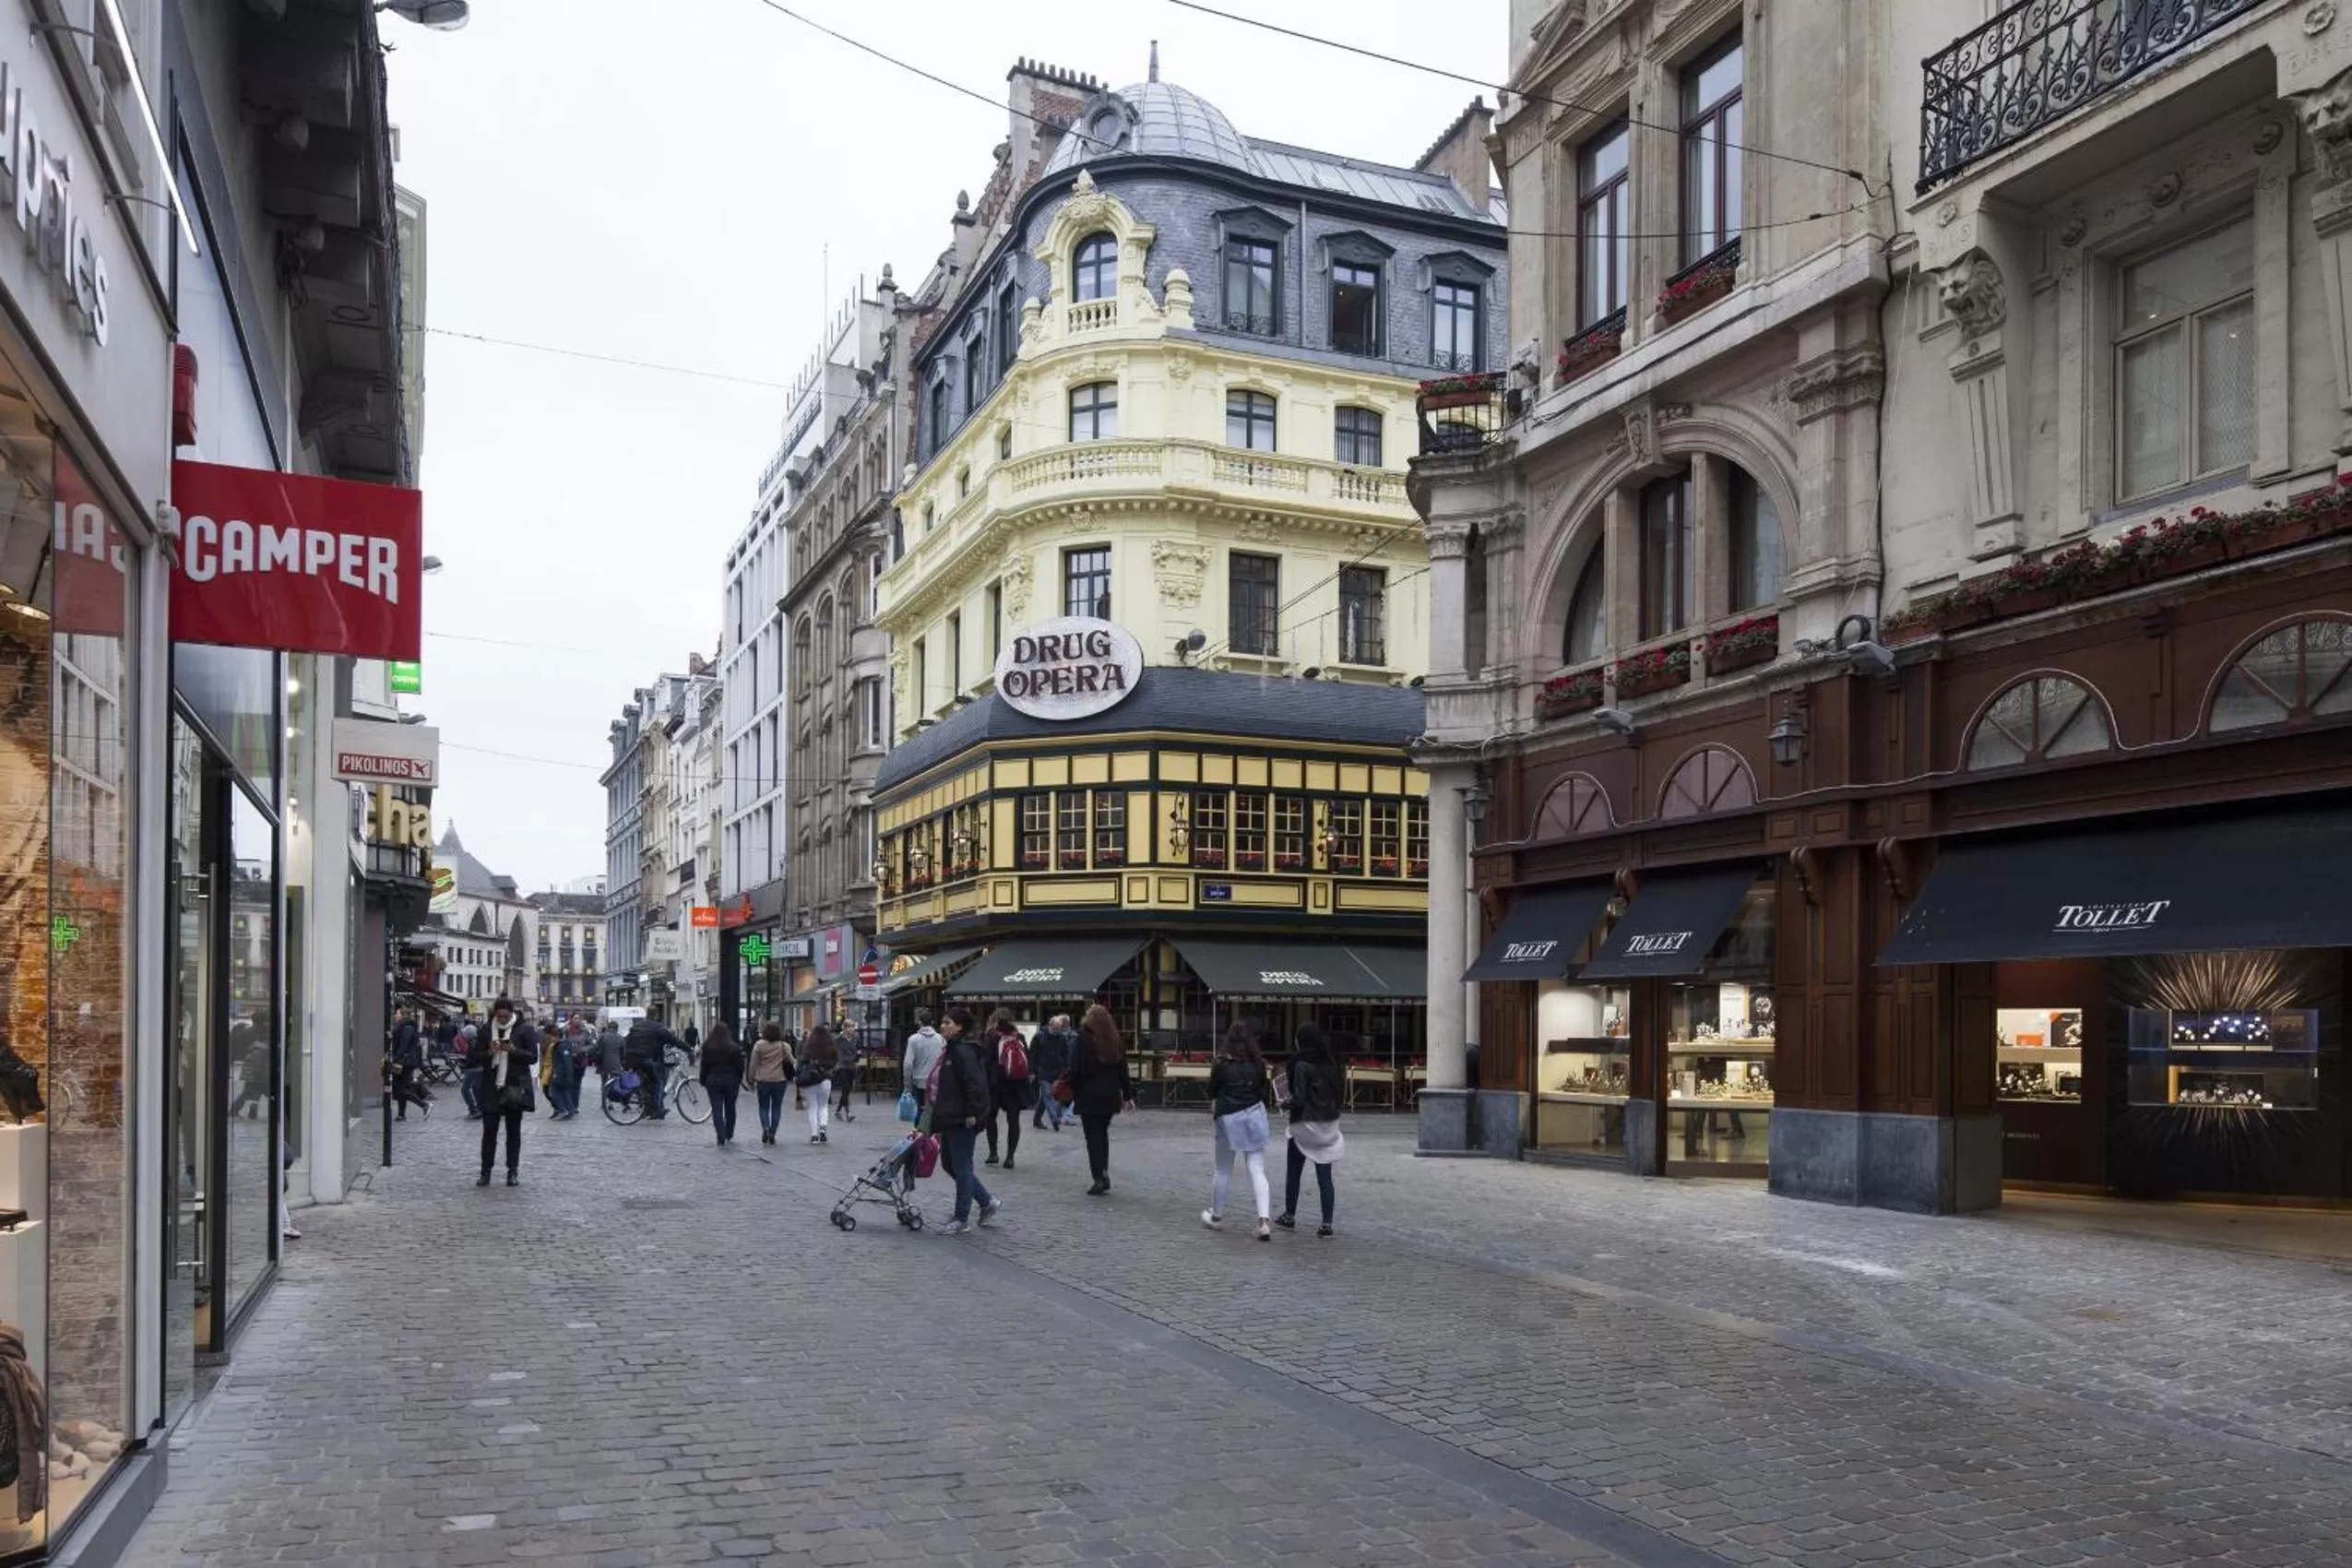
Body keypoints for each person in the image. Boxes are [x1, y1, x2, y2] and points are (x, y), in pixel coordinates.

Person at [928, 1008, 1000, 1234]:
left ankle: (961, 1218)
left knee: (962, 1166)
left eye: (947, 1022)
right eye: (942, 1022)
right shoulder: (951, 1050)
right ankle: (986, 1201)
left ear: (959, 1026)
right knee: (950, 1164)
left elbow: (974, 1084)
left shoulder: (962, 1052)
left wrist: (971, 1112)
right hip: (949, 1116)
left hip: (961, 1118)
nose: (942, 1026)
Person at [1203, 1024, 1275, 1241]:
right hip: (1254, 1114)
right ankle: (1263, 1220)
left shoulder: (1221, 1063)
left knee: (1223, 1169)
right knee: (1257, 1169)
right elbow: (1263, 1090)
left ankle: (1216, 1216)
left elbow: (1212, 1090)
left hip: (1228, 1117)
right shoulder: (1259, 1063)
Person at [1277, 1022, 1345, 1237]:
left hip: (1303, 1124)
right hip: (1328, 1125)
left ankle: (1290, 1216)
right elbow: (1338, 1095)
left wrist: (1284, 1103)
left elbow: (1299, 1098)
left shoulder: (1300, 1064)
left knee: (1294, 1173)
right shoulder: (1332, 1063)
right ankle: (1326, 1223)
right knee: (1325, 1176)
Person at [1064, 1004, 1135, 1196]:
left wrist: (1072, 1089)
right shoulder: (1115, 1041)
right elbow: (1123, 1071)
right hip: (1110, 1095)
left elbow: (1075, 1069)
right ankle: (1103, 1171)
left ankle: (1098, 1177)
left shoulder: (1082, 1040)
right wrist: (1128, 1095)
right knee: (1102, 1135)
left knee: (1092, 1137)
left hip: (1088, 1095)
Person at [475, 998, 540, 1187]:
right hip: (491, 1087)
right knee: (489, 1132)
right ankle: (485, 1172)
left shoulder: (525, 1030)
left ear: (512, 1014)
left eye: (506, 1016)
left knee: (513, 1132)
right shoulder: (487, 1030)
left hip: (514, 1086)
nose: (502, 1019)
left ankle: (513, 1171)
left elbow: (533, 1058)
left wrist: (513, 1050)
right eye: (499, 1016)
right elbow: (474, 1056)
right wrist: (489, 1052)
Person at [983, 1009, 1029, 1170]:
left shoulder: (991, 1037)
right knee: (1013, 1120)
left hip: (995, 1085)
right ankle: (1010, 1157)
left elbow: (986, 1061)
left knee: (991, 1118)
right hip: (1014, 1085)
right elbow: (1026, 1060)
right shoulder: (1019, 1037)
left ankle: (993, 1153)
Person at [623, 1015, 684, 1119]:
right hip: (649, 1059)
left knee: (647, 1084)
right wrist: (689, 1049)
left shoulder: (637, 1027)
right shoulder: (658, 1028)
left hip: (633, 1059)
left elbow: (626, 1041)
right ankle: (657, 1109)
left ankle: (650, 1109)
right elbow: (674, 1041)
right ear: (656, 1016)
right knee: (659, 1082)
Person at [698, 1024, 745, 1146]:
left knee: (716, 1108)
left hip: (713, 1079)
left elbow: (704, 1066)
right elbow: (740, 1066)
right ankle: (729, 1131)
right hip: (731, 1080)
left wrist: (703, 1080)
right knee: (730, 1107)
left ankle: (720, 1134)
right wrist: (739, 1078)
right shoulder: (734, 1048)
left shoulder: (708, 1047)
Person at [750, 1023, 795, 1145]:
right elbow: (792, 1061)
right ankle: (773, 1132)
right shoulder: (784, 1046)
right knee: (776, 1107)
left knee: (763, 1107)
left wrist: (750, 1078)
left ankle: (765, 1127)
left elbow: (753, 1064)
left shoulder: (759, 1045)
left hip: (763, 1080)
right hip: (780, 1080)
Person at [1029, 1014, 1075, 1132]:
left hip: (1056, 1072)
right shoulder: (1039, 1036)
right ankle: (1054, 1118)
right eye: (1055, 1029)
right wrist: (1033, 1070)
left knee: (1045, 1098)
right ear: (1050, 1026)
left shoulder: (1062, 1038)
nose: (1057, 1031)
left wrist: (1065, 1069)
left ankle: (1037, 1119)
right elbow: (1032, 1054)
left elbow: (1065, 1054)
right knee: (1048, 1094)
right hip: (1042, 1070)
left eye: (1059, 1029)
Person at [798, 1025, 840, 1143]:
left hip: (811, 1079)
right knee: (823, 1106)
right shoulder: (831, 1046)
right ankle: (823, 1128)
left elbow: (803, 1060)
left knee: (813, 1106)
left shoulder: (809, 1045)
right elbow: (835, 1061)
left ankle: (814, 1134)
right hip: (826, 1079)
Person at [902, 1010, 947, 1112]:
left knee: (921, 1110)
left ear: (919, 1022)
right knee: (935, 1109)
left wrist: (907, 1086)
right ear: (932, 1022)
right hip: (937, 1079)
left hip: (919, 1080)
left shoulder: (913, 1039)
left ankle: (920, 1127)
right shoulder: (941, 1039)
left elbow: (908, 1064)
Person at [387, 1007, 424, 1120]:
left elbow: (404, 1045)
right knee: (399, 1088)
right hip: (402, 1061)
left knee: (401, 1088)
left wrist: (395, 1058)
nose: (395, 1015)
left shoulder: (407, 1027)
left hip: (404, 1062)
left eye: (397, 1014)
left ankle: (424, 1105)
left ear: (404, 1015)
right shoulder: (402, 1027)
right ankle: (401, 1114)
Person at [458, 1017, 483, 1119]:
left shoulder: (473, 1044)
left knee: (465, 1089)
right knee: (476, 1088)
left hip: (473, 1069)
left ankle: (473, 1109)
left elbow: (473, 1058)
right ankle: (479, 1108)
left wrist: (464, 1065)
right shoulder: (477, 1042)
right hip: (478, 1068)